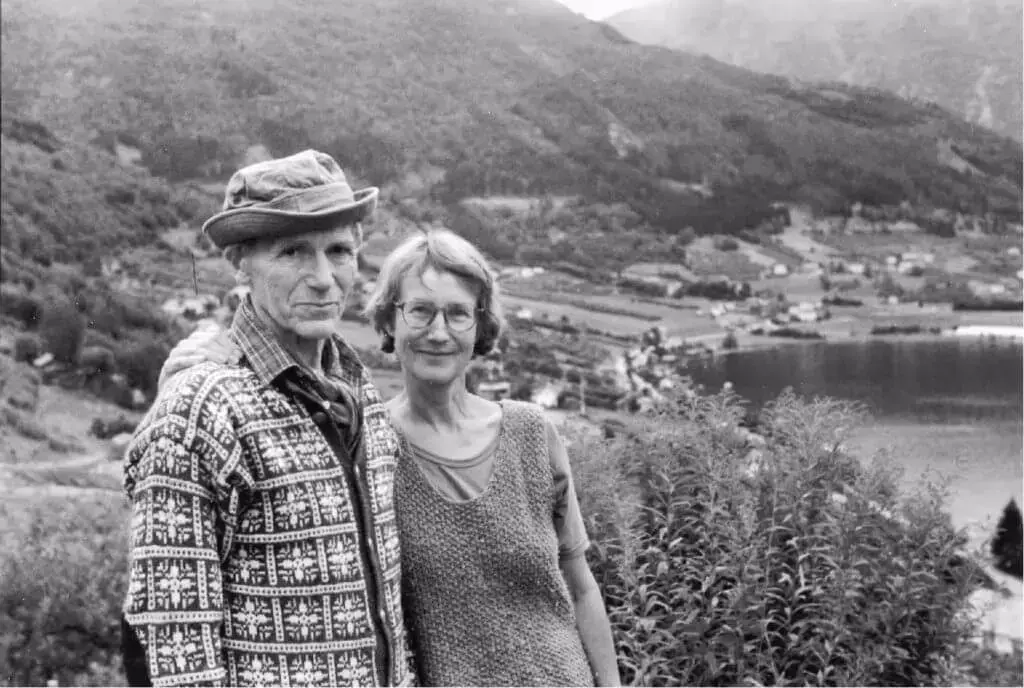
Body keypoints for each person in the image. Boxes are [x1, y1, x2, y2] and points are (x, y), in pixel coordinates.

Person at [160, 230, 622, 686]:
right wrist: (188, 377)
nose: (438, 332)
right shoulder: (369, 448)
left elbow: (581, 587)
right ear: (387, 323)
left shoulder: (532, 433)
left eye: (458, 313)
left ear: (480, 326)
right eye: (419, 311)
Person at [121, 150, 416, 687]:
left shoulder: (359, 393)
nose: (323, 278)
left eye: (339, 251)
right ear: (241, 261)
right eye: (293, 252)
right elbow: (173, 644)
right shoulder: (201, 410)